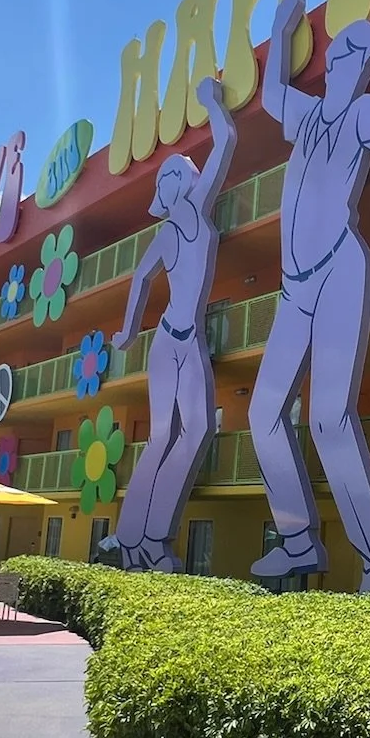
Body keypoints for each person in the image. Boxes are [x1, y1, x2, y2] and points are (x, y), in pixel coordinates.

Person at [249, 0, 370, 592]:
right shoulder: (306, 115)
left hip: (340, 272)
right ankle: (299, 541)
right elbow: (272, 94)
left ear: (365, 71)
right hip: (293, 288)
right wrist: (280, 35)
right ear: (333, 63)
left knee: (329, 418)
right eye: (342, 59)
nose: (347, 68)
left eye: (360, 62)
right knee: (262, 415)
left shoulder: (361, 117)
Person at [104, 74, 238, 571]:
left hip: (191, 340)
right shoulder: (162, 236)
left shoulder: (200, 210)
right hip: (166, 341)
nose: (185, 177)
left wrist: (212, 104)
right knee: (163, 436)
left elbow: (226, 141)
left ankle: (150, 536)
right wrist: (128, 331)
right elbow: (139, 282)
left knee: (196, 429)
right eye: (177, 174)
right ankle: (134, 538)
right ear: (169, 188)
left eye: (182, 172)